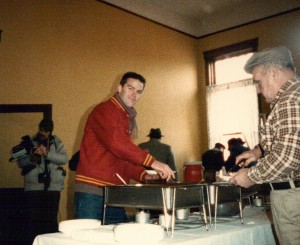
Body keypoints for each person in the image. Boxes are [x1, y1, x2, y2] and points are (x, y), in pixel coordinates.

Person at [74, 72, 175, 224]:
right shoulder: (105, 110)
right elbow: (117, 144)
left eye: (139, 91)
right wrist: (152, 162)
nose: (134, 94)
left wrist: (144, 175)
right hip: (93, 192)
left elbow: (123, 158)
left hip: (114, 194)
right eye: (130, 88)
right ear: (119, 87)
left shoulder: (125, 117)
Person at [229, 46, 300, 245]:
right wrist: (257, 151)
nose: (258, 90)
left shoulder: (291, 100)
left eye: (258, 83)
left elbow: (287, 158)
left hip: (292, 197)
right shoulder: (293, 96)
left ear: (274, 73)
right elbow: (289, 139)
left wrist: (250, 176)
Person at [16, 119, 68, 243]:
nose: (43, 132)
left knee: (51, 222)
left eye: (47, 130)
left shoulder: (56, 142)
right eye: (42, 129)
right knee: (33, 222)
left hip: (52, 188)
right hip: (33, 188)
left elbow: (64, 159)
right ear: (39, 128)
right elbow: (20, 162)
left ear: (51, 131)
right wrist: (33, 157)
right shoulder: (29, 142)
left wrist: (47, 153)